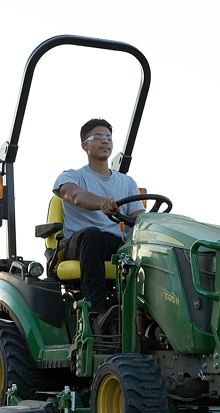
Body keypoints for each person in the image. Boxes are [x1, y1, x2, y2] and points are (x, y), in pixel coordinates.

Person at [53, 118, 144, 332]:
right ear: (85, 145)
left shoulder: (126, 182)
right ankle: (99, 310)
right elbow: (74, 195)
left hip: (112, 243)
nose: (105, 141)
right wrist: (101, 203)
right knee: (92, 235)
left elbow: (139, 216)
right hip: (78, 244)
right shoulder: (71, 176)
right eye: (98, 137)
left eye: (109, 137)